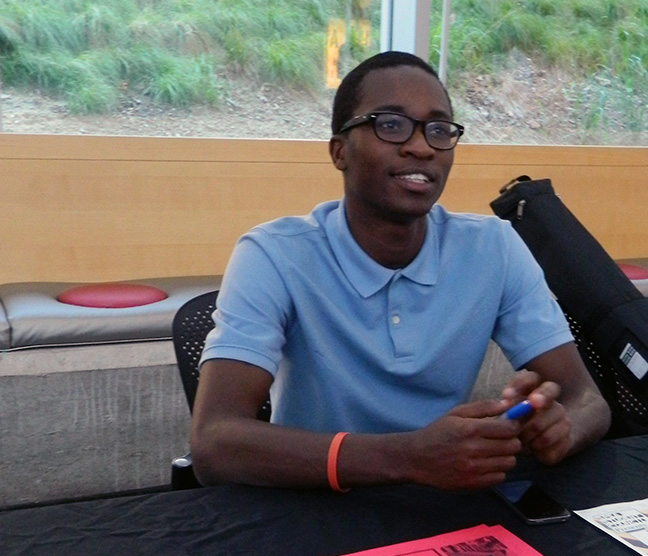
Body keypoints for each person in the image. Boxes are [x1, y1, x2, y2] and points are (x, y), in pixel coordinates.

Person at [191, 51, 610, 491]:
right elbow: (215, 443)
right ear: (340, 151)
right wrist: (410, 458)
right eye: (390, 124)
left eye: (439, 129)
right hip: (312, 505)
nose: (422, 146)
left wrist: (557, 429)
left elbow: (588, 401)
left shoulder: (494, 248)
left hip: (444, 506)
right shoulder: (274, 255)